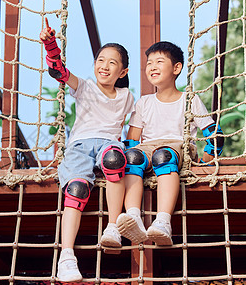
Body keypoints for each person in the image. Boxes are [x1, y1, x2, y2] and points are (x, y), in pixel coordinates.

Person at [40, 18, 134, 282]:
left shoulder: (127, 98)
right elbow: (59, 72)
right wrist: (50, 45)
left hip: (108, 144)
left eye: (112, 63)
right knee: (77, 189)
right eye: (100, 60)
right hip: (80, 145)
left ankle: (113, 226)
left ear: (123, 72)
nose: (104, 66)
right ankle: (66, 256)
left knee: (116, 159)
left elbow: (137, 128)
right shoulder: (84, 87)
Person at [113, 41, 223, 247]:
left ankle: (163, 221)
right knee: (132, 157)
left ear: (176, 68)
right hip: (148, 148)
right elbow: (132, 140)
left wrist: (205, 162)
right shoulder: (144, 102)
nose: (152, 67)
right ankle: (134, 216)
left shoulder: (188, 99)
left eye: (159, 62)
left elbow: (214, 135)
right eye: (149, 63)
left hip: (176, 146)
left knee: (163, 156)